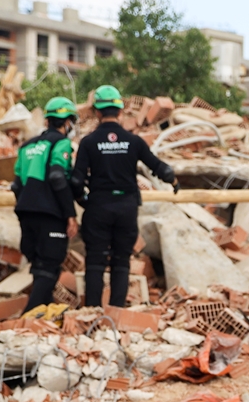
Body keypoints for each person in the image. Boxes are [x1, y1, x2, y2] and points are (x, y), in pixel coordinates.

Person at [71, 84, 178, 307]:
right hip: (126, 208)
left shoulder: (89, 143)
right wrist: (174, 181)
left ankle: (92, 311)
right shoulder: (134, 142)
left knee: (95, 262)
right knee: (121, 262)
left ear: (98, 112)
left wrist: (84, 201)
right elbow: (160, 168)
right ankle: (117, 311)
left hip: (98, 207)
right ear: (120, 111)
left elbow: (76, 182)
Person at [11, 97, 79, 312]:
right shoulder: (61, 143)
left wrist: (27, 204)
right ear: (67, 122)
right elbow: (58, 177)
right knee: (50, 267)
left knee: (39, 266)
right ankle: (27, 318)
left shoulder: (27, 146)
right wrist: (70, 214)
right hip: (50, 214)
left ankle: (42, 318)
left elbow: (16, 184)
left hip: (26, 212)